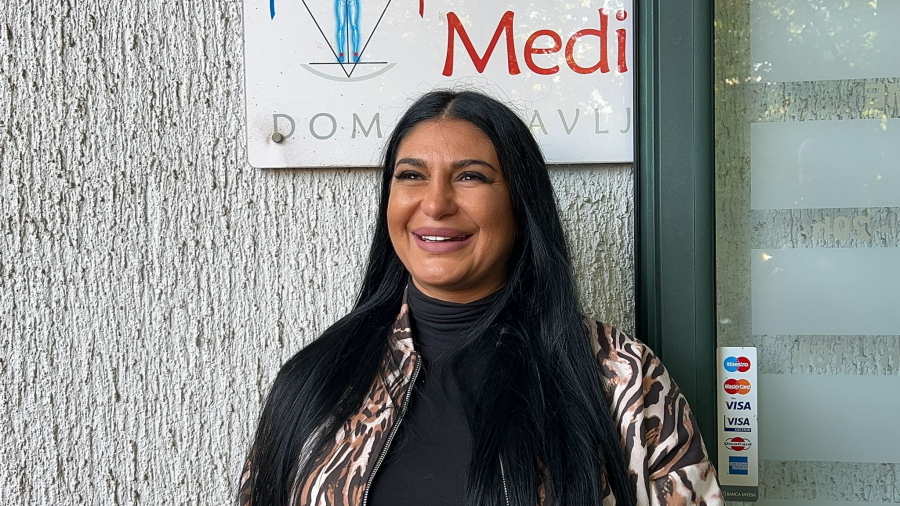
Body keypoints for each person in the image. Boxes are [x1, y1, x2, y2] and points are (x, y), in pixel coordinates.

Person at [238, 90, 723, 506]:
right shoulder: (318, 380)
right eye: (411, 175)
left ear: (521, 206)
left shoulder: (623, 380)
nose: (435, 204)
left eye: (470, 176)